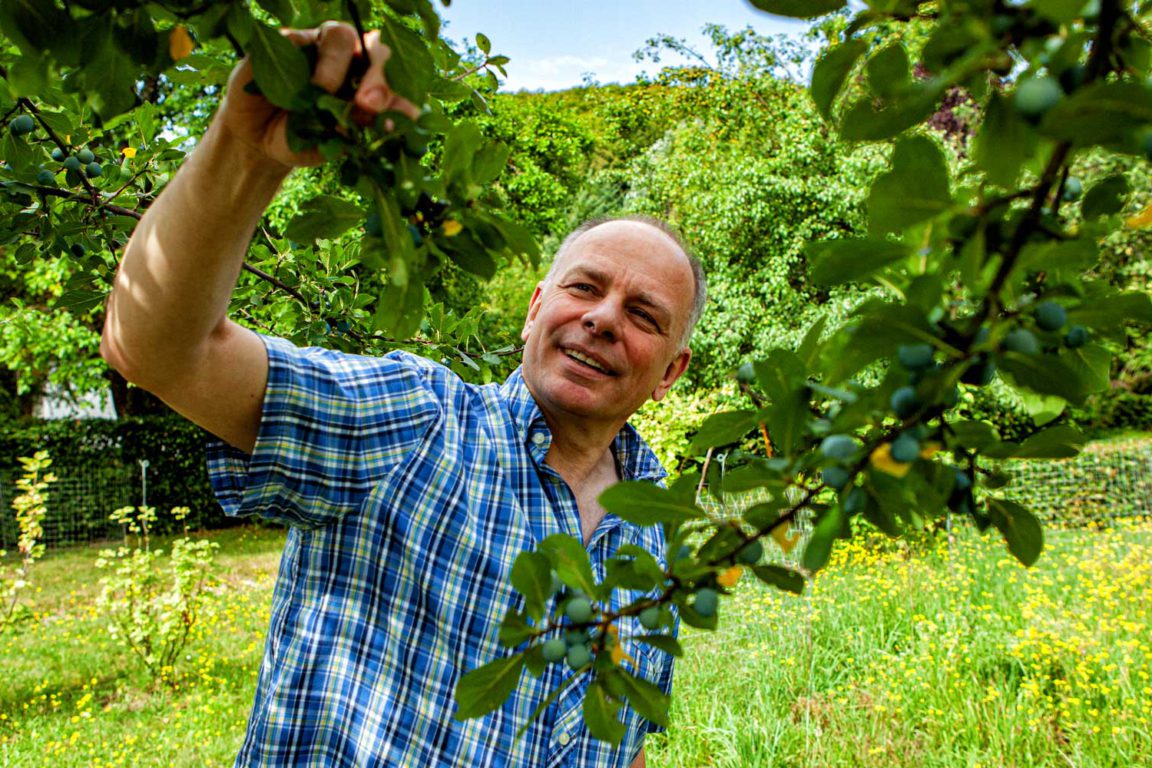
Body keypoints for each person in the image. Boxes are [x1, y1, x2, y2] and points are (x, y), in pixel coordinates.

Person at [101, 21, 706, 768]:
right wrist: (245, 153)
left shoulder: (658, 530)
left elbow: (617, 743)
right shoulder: (415, 422)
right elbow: (157, 348)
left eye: (644, 316)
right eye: (584, 288)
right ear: (534, 310)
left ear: (671, 372)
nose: (603, 319)